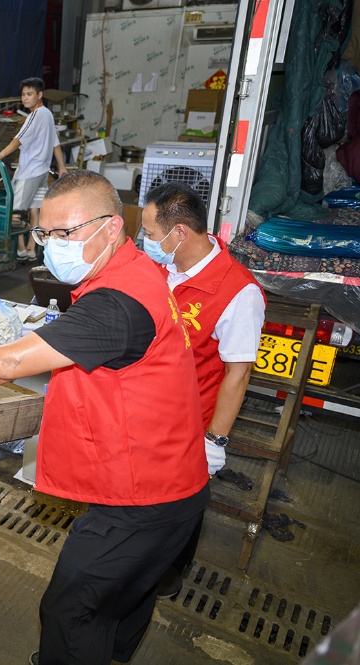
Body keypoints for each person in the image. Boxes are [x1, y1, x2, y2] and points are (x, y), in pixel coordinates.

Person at [0, 171, 209, 665]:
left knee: (71, 613)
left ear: (112, 228)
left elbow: (9, 363)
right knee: (124, 600)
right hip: (173, 483)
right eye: (45, 234)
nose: (53, 246)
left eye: (66, 232)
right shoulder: (135, 272)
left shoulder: (115, 304)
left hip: (143, 501)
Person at [141, 182, 266, 599]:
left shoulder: (238, 292)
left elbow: (238, 374)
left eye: (151, 234)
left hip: (189, 423)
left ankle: (169, 573)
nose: (146, 242)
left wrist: (215, 441)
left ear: (179, 233)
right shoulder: (160, 267)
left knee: (178, 506)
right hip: (145, 407)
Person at [0, 77, 68, 261]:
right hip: (42, 172)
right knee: (34, 211)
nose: (25, 98)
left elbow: (19, 138)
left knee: (16, 215)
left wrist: (0, 155)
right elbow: (55, 143)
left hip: (29, 173)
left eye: (29, 94)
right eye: (23, 94)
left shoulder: (36, 115)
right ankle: (29, 249)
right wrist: (62, 167)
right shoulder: (48, 115)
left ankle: (18, 248)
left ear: (40, 95)